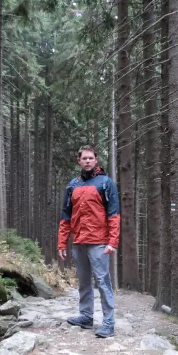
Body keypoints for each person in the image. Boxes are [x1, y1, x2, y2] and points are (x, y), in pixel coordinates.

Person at [58, 145, 119, 338]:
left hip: (99, 241)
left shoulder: (105, 183)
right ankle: (86, 317)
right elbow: (66, 216)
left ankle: (109, 323)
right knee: (84, 282)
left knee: (102, 281)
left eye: (90, 158)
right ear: (79, 161)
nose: (87, 161)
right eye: (84, 158)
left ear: (96, 160)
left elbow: (114, 214)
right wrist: (62, 242)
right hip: (79, 241)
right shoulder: (72, 185)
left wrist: (112, 241)